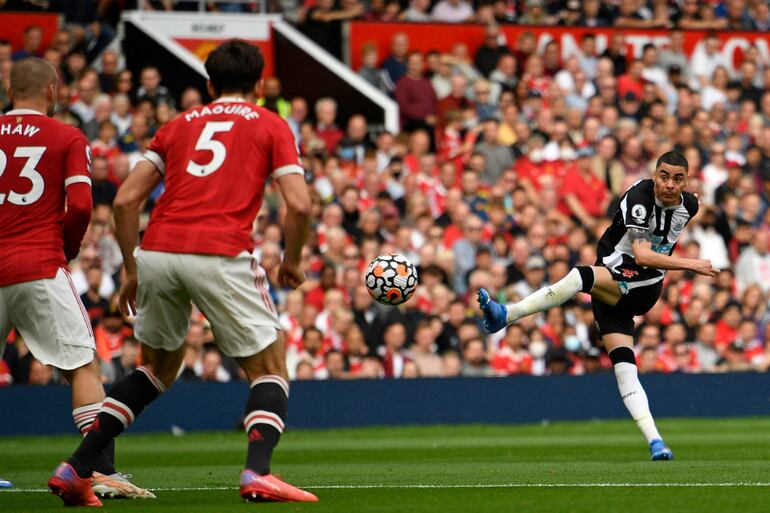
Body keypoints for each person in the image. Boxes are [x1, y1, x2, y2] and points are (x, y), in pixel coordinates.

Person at [49, 40, 317, 505]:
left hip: (158, 250)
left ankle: (76, 467)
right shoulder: (272, 124)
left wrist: (132, 269)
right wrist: (291, 261)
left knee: (155, 367)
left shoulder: (176, 126)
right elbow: (299, 203)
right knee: (271, 364)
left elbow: (128, 200)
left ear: (210, 85)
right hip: (220, 251)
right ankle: (257, 472)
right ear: (258, 85)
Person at [478, 151, 718, 461]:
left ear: (686, 181)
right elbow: (642, 252)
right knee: (624, 368)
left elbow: (645, 261)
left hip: (642, 286)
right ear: (654, 174)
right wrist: (692, 264)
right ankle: (656, 442)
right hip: (617, 279)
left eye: (677, 178)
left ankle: (506, 315)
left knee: (580, 276)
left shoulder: (690, 205)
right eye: (664, 176)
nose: (670, 184)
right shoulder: (639, 197)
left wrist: (683, 262)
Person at [0, 58, 152, 502]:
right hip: (39, 263)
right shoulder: (66, 135)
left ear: (11, 93)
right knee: (83, 365)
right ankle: (98, 470)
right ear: (51, 92)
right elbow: (82, 205)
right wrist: (66, 246)